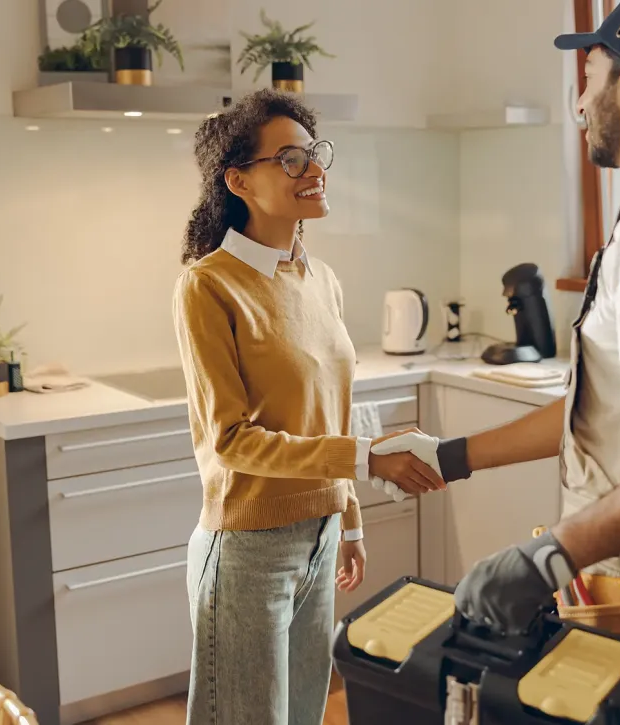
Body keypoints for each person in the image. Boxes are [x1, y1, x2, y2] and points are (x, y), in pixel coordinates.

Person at [375, 1, 620, 722]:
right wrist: (451, 454)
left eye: (591, 73)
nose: (579, 99)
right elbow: (613, 410)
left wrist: (552, 554)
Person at [173, 89, 446, 725]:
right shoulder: (208, 286)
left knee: (303, 717)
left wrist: (348, 522)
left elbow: (337, 410)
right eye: (290, 159)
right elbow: (232, 441)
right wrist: (367, 462)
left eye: (315, 154)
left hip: (321, 538)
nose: (314, 170)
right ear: (238, 179)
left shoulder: (322, 279)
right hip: (247, 548)